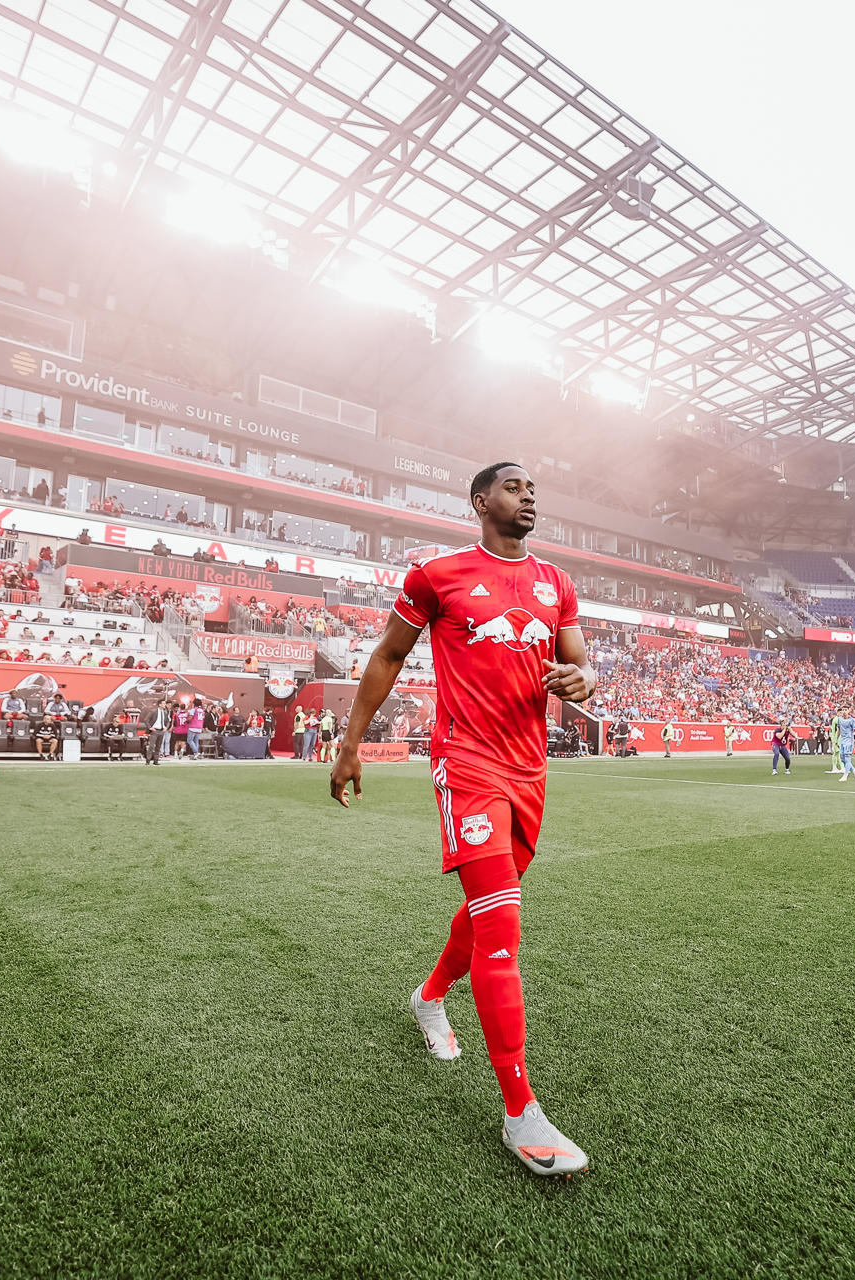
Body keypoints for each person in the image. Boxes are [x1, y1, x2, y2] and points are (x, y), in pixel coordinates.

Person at [329, 461, 596, 1177]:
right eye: (513, 485)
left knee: (486, 911)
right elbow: (388, 655)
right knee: (502, 928)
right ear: (481, 502)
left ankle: (428, 998)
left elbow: (580, 663)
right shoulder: (436, 575)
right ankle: (522, 1115)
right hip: (467, 765)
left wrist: (583, 679)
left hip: (529, 771)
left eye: (534, 486)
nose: (529, 493)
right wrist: (351, 745)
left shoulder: (556, 584)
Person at [829, 710, 855, 780]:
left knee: (847, 758)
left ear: (849, 711)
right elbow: (839, 729)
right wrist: (836, 739)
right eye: (843, 710)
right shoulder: (839, 719)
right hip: (842, 741)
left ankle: (845, 776)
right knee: (843, 759)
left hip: (848, 742)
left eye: (846, 710)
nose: (844, 711)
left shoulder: (852, 720)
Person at [145, 698, 174, 765]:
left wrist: (166, 727)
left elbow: (168, 721)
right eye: (163, 703)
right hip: (155, 731)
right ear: (159, 704)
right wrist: (150, 728)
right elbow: (146, 720)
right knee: (151, 746)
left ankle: (156, 760)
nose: (164, 705)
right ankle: (148, 760)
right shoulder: (153, 711)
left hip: (161, 730)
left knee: (158, 746)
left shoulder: (165, 712)